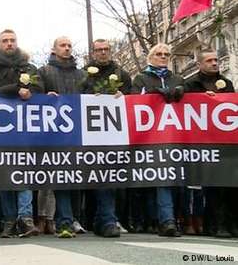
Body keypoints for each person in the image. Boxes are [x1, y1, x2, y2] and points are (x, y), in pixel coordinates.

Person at [0, 29, 41, 238]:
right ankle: (9, 219)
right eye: (4, 41)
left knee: (23, 172)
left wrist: (31, 92)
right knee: (5, 175)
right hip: (0, 130)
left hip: (25, 129)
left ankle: (25, 218)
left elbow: (40, 88)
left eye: (12, 40)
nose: (9, 44)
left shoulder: (29, 67)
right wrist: (16, 89)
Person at [131, 43, 185, 237]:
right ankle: (161, 220)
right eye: (159, 54)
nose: (163, 57)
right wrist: (154, 95)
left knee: (167, 178)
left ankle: (167, 220)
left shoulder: (177, 78)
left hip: (173, 137)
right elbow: (134, 101)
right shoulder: (141, 78)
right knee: (158, 178)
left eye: (166, 54)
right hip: (148, 136)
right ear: (151, 57)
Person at [81, 39, 132, 238]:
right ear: (93, 53)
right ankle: (100, 220)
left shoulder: (121, 73)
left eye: (106, 49)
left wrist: (123, 96)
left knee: (108, 177)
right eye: (99, 50)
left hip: (114, 134)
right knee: (96, 179)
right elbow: (77, 96)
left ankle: (108, 220)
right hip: (89, 133)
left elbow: (133, 98)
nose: (103, 53)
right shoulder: (83, 74)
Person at [38, 36, 87, 239]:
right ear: (54, 49)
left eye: (69, 45)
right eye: (63, 45)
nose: (67, 48)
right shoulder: (44, 72)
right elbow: (35, 96)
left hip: (78, 132)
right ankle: (65, 221)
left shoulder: (82, 74)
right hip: (54, 133)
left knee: (76, 177)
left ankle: (74, 218)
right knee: (62, 177)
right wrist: (43, 96)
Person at [184, 49, 235, 238]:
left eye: (216, 59)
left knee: (231, 185)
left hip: (226, 143)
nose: (214, 63)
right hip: (202, 143)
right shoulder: (190, 85)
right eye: (209, 60)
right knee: (213, 186)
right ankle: (216, 224)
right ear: (199, 64)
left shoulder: (226, 83)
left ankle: (232, 223)